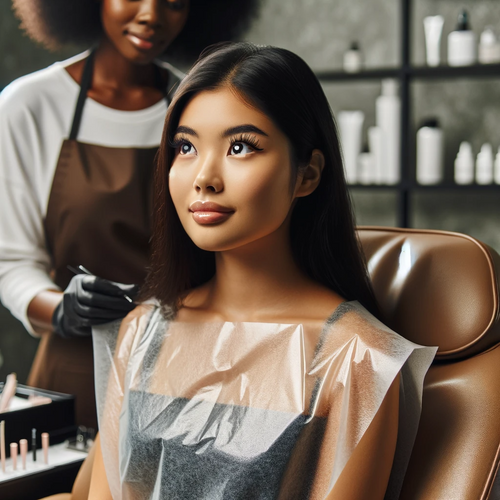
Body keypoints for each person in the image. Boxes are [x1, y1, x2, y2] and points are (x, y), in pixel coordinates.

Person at [90, 42, 436, 499]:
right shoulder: (141, 333)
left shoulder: (357, 358)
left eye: (240, 146)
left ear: (307, 175)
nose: (204, 177)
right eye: (185, 146)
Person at [0, 0, 261, 428]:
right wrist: (62, 308)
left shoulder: (197, 106)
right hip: (76, 371)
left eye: (175, 3)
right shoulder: (30, 107)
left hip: (186, 370)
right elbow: (12, 262)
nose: (151, 15)